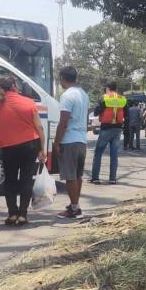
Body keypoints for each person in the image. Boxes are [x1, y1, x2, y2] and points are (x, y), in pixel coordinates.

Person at [0, 76, 46, 226]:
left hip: (8, 147)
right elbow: (39, 127)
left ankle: (12, 214)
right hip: (29, 145)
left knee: (10, 180)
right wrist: (42, 149)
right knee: (26, 179)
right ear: (14, 87)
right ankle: (23, 215)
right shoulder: (28, 102)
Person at [54, 66, 90, 219]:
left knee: (70, 177)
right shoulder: (84, 94)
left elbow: (63, 122)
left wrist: (56, 142)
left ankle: (75, 209)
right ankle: (74, 204)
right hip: (82, 140)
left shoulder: (67, 95)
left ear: (63, 78)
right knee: (77, 176)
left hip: (69, 140)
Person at [90, 81, 126, 185]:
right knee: (114, 155)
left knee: (98, 153)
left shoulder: (105, 98)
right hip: (118, 130)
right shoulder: (122, 99)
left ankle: (95, 178)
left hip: (106, 129)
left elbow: (96, 112)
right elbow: (126, 114)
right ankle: (112, 179)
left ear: (107, 88)